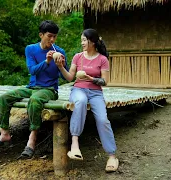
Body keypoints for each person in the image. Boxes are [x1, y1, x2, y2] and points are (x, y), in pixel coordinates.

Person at [0, 20, 68, 159]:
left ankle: (32, 139)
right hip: (32, 87)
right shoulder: (30, 49)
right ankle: (5, 133)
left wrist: (61, 65)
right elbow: (32, 71)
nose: (52, 39)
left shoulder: (60, 51)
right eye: (49, 36)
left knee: (35, 100)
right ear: (41, 35)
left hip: (49, 89)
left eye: (54, 36)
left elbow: (66, 77)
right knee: (4, 98)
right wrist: (46, 62)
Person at [55, 28, 119, 172]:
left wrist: (90, 78)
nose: (82, 43)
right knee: (81, 101)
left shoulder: (102, 59)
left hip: (96, 93)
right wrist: (60, 67)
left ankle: (112, 155)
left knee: (103, 120)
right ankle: (75, 144)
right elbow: (70, 77)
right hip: (78, 90)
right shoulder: (78, 57)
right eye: (82, 40)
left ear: (93, 42)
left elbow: (105, 81)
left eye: (84, 40)